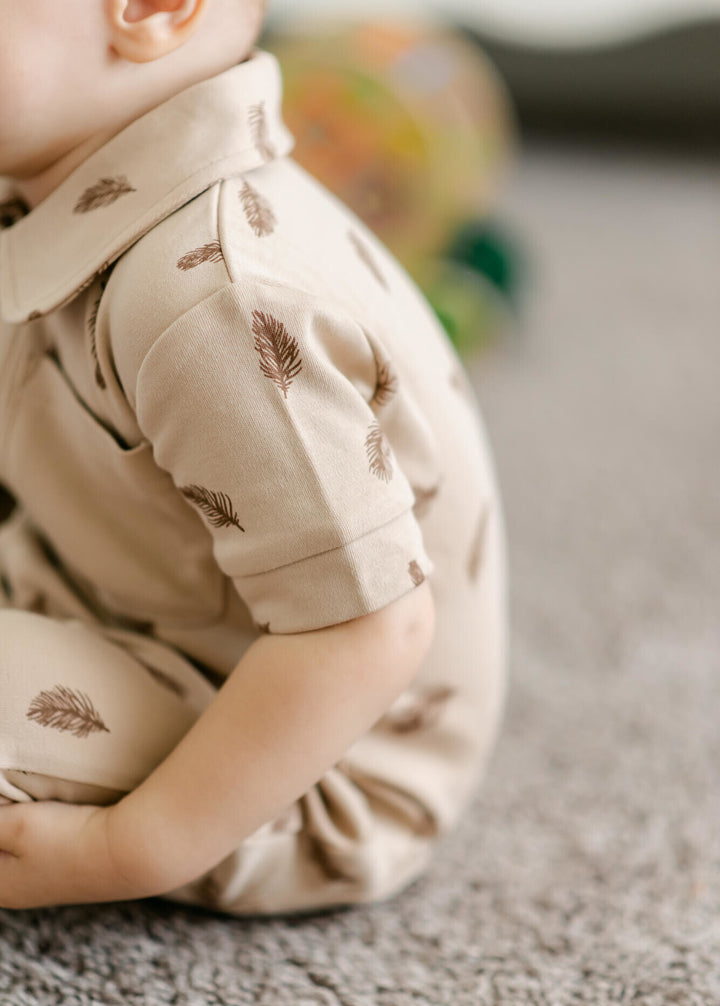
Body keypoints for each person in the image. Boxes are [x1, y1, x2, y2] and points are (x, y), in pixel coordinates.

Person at [0, 0, 509, 915]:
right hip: (97, 576)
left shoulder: (211, 301)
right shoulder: (56, 176)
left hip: (301, 758)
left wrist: (127, 848)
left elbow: (366, 632)